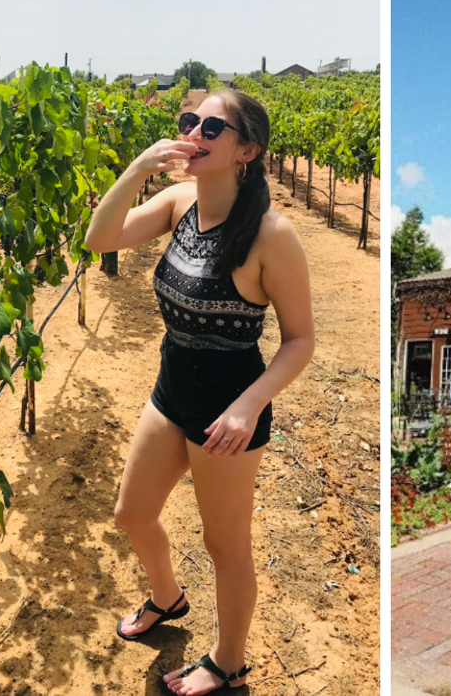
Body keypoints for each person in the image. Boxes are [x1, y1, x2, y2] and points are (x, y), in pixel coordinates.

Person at [85, 91, 314, 695]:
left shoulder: (271, 234)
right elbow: (99, 238)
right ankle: (169, 598)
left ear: (247, 150)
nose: (196, 132)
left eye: (214, 126)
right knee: (132, 513)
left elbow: (300, 341)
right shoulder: (180, 200)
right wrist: (137, 170)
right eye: (190, 122)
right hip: (172, 389)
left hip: (229, 411)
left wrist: (249, 404)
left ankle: (228, 662)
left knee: (225, 545)